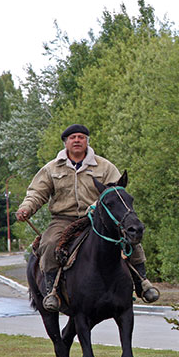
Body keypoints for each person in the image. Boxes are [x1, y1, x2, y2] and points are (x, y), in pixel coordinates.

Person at [16, 124, 159, 312]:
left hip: (97, 218)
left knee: (131, 238)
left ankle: (142, 283)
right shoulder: (51, 168)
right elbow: (37, 193)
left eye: (81, 137)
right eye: (73, 137)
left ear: (87, 141)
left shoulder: (104, 166)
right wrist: (26, 209)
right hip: (63, 219)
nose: (77, 140)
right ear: (66, 142)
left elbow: (117, 192)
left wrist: (99, 208)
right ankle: (52, 291)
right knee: (49, 243)